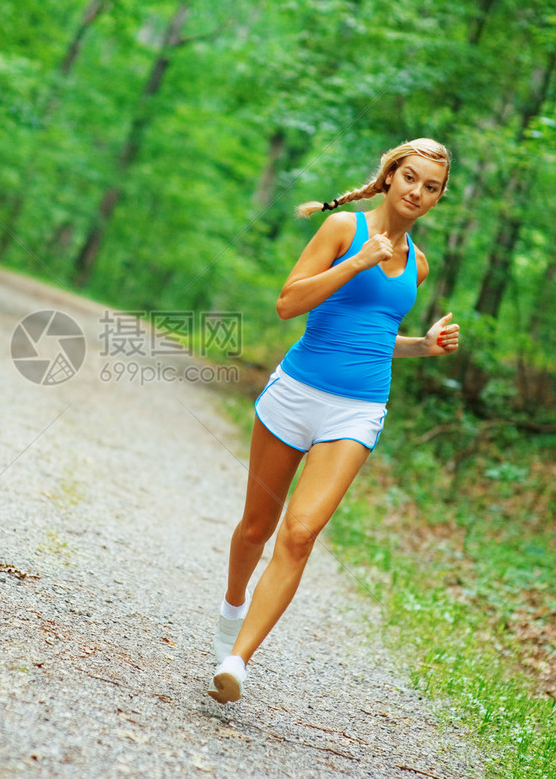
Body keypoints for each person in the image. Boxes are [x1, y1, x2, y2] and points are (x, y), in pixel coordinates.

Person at [208, 138, 461, 704]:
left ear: (439, 197)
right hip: (295, 392)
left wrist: (425, 344)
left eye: (432, 187)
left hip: (358, 408)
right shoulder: (343, 230)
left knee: (300, 534)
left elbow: (371, 339)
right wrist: (356, 262)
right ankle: (231, 608)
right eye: (411, 178)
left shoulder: (418, 263)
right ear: (390, 176)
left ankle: (237, 661)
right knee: (257, 526)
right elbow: (288, 304)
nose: (418, 192)